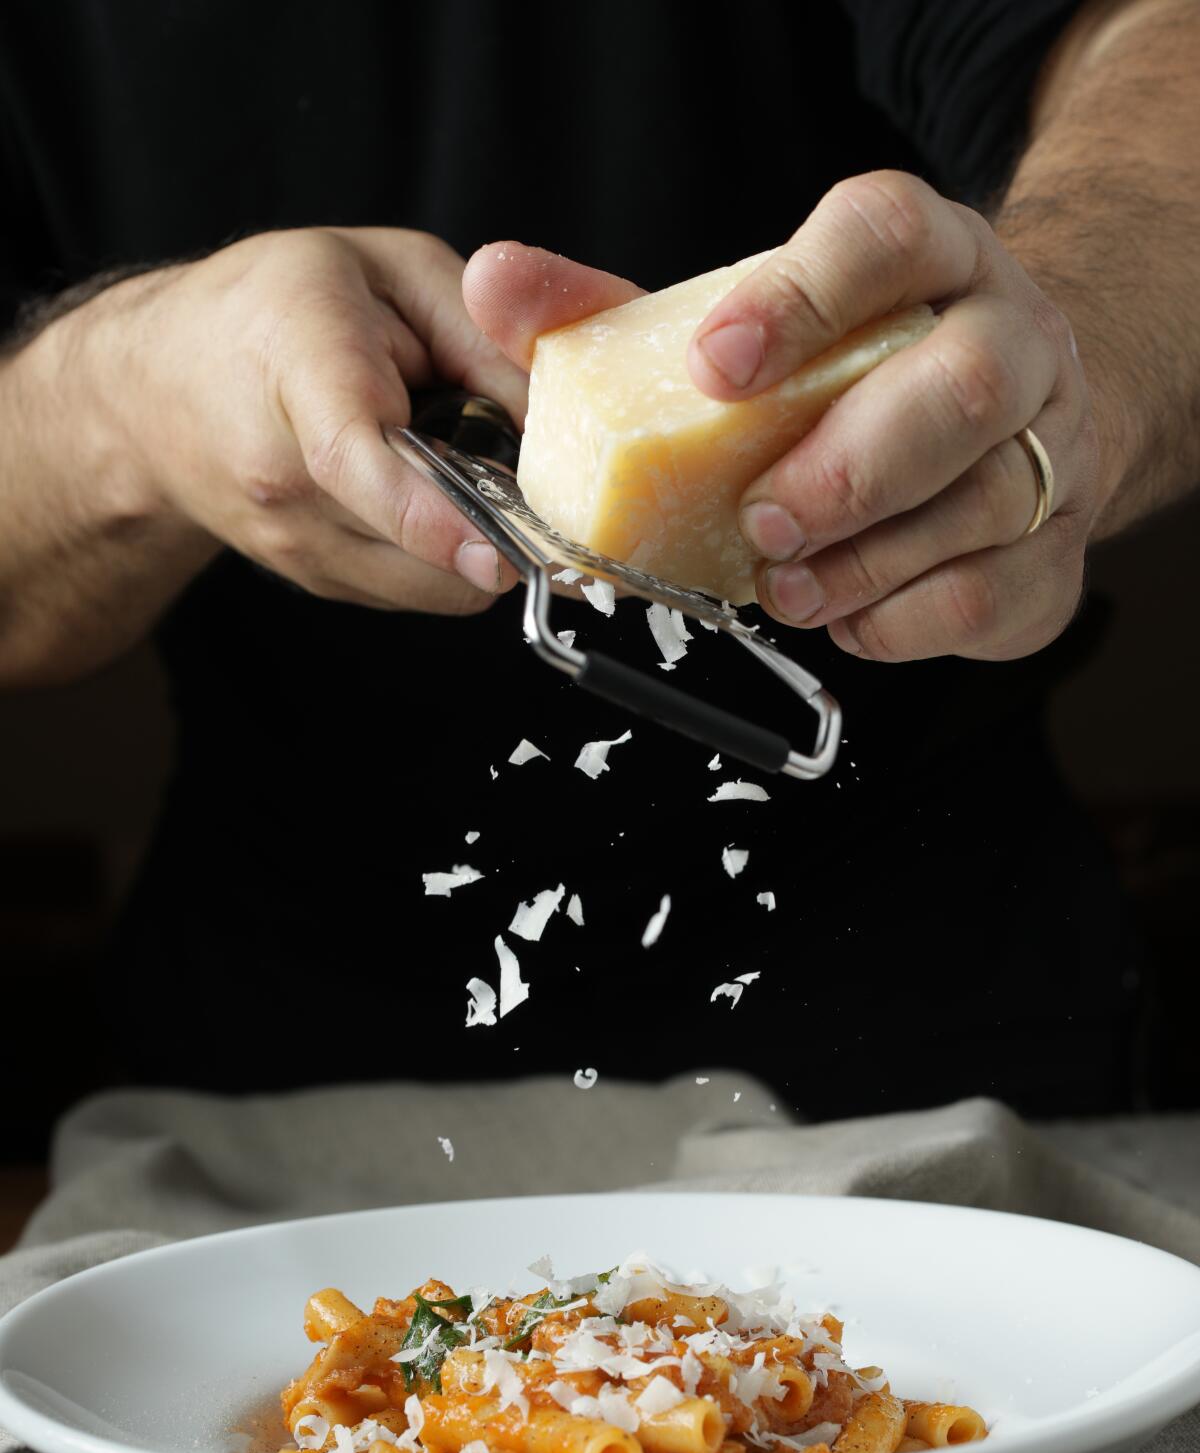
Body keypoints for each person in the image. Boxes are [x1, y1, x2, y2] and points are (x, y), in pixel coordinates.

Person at [1, 0, 1195, 1120]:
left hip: (939, 1040)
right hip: (278, 1096)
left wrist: (1057, 356)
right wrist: (121, 402)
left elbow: (1151, 44)